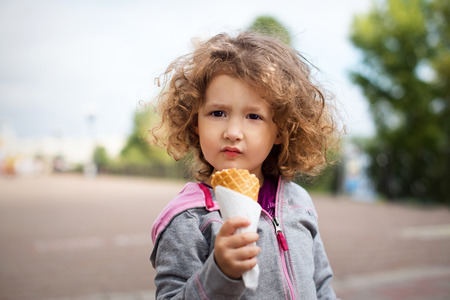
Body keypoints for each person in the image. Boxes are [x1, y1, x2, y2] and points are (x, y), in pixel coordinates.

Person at [150, 31, 340, 299]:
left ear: (281, 130)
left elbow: (321, 285)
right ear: (195, 123)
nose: (233, 131)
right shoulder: (187, 219)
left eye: (253, 116)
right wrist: (220, 273)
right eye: (218, 113)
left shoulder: (298, 202)